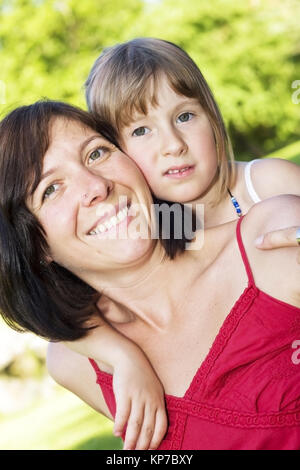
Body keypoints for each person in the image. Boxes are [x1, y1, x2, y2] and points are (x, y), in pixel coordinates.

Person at [0, 101, 300, 450]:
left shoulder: (271, 241)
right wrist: (125, 356)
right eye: (51, 189)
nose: (96, 185)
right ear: (34, 247)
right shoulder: (77, 363)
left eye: (96, 153)